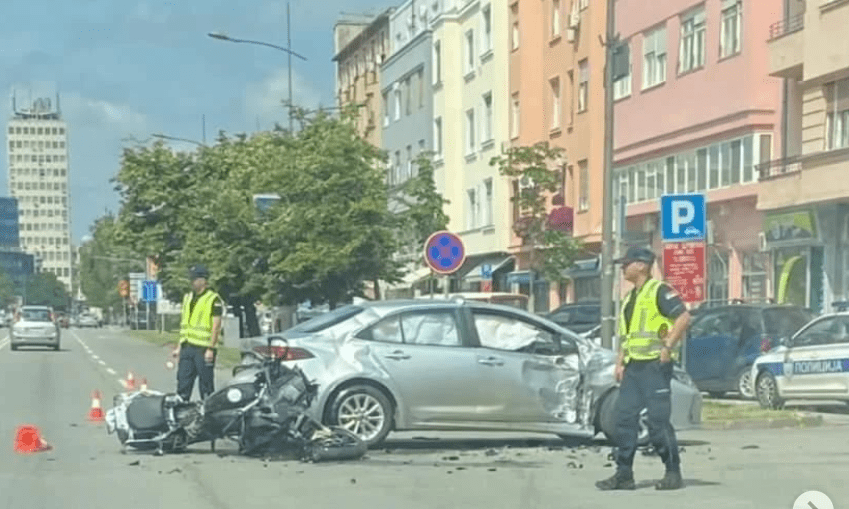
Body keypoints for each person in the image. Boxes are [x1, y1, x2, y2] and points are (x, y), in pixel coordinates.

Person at [595, 246, 691, 491]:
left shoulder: (659, 291)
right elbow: (626, 336)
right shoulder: (629, 298)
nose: (623, 268)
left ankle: (673, 472)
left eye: (626, 264)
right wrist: (620, 362)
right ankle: (624, 474)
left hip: (655, 367)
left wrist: (668, 346)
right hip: (633, 368)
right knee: (624, 421)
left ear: (641, 265)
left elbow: (683, 317)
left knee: (658, 423)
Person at [172, 264, 225, 401]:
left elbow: (216, 325)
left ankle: (207, 414)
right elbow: (185, 325)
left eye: (195, 279)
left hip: (203, 349)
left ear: (203, 281)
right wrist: (179, 346)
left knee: (206, 385)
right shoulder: (188, 298)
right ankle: (181, 413)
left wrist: (211, 349)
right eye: (191, 279)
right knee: (183, 382)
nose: (192, 282)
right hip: (187, 347)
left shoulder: (213, 299)